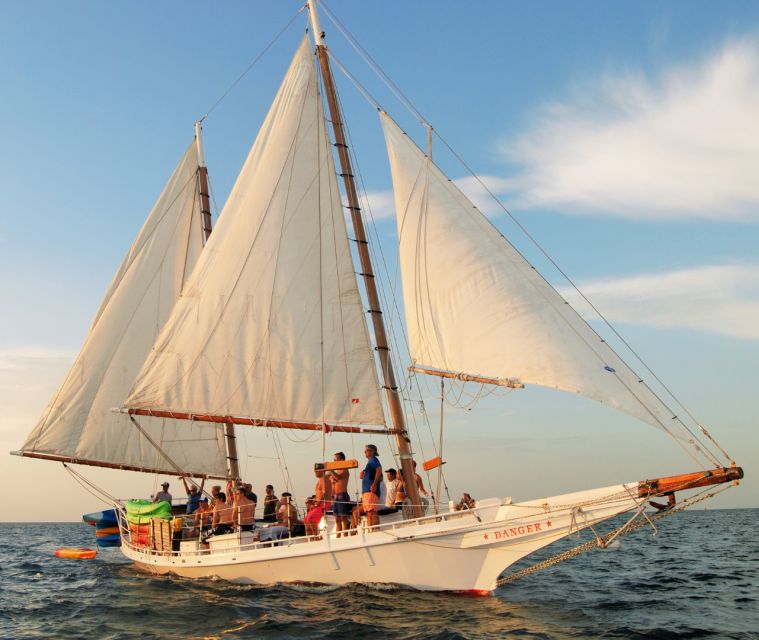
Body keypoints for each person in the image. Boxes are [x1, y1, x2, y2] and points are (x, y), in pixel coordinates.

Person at [351, 444, 382, 531]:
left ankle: (374, 530)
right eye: (365, 451)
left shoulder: (373, 460)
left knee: (371, 511)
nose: (365, 452)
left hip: (370, 491)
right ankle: (370, 529)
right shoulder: (371, 461)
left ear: (373, 452)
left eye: (367, 450)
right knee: (368, 511)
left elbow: (379, 470)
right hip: (367, 492)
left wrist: (374, 484)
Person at [328, 452, 352, 537]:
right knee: (337, 519)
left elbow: (338, 477)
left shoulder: (345, 469)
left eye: (336, 459)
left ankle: (345, 536)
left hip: (342, 495)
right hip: (335, 496)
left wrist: (331, 470)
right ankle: (338, 536)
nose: (334, 461)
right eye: (334, 459)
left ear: (341, 460)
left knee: (343, 518)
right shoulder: (337, 470)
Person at [304, 469, 332, 537]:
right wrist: (314, 502)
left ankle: (316, 537)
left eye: (317, 471)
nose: (315, 472)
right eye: (315, 471)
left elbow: (324, 494)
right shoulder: (320, 480)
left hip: (324, 504)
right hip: (318, 504)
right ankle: (309, 539)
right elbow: (318, 494)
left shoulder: (325, 480)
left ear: (322, 471)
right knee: (306, 519)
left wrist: (317, 504)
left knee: (311, 518)